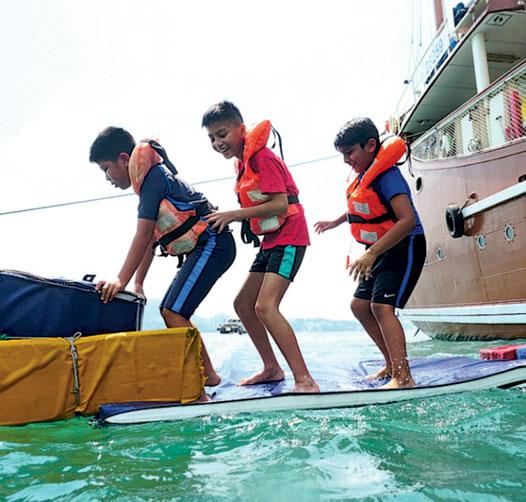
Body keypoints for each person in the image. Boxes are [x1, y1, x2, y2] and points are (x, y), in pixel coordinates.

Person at [88, 126, 236, 390]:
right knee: (169, 310)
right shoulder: (147, 182)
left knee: (173, 311)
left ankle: (203, 380)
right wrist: (138, 283)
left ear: (124, 159)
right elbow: (151, 241)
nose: (107, 178)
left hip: (214, 242)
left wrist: (121, 280)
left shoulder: (153, 178)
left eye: (106, 169)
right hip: (206, 246)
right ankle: (208, 376)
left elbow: (143, 234)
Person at [201, 101, 319, 393]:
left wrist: (233, 214)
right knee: (243, 304)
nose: (217, 143)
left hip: (290, 236)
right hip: (271, 239)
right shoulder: (242, 164)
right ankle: (271, 368)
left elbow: (280, 203)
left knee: (265, 306)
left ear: (241, 129)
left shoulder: (262, 158)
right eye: (212, 138)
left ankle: (305, 380)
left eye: (222, 134)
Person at [314, 117, 426, 389]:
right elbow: (361, 207)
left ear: (371, 145)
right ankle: (390, 364)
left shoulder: (387, 176)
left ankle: (403, 376)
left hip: (404, 244)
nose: (346, 160)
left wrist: (371, 253)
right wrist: (336, 222)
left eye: (349, 152)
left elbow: (406, 220)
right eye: (342, 154)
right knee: (360, 306)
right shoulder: (365, 176)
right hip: (379, 249)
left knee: (381, 307)